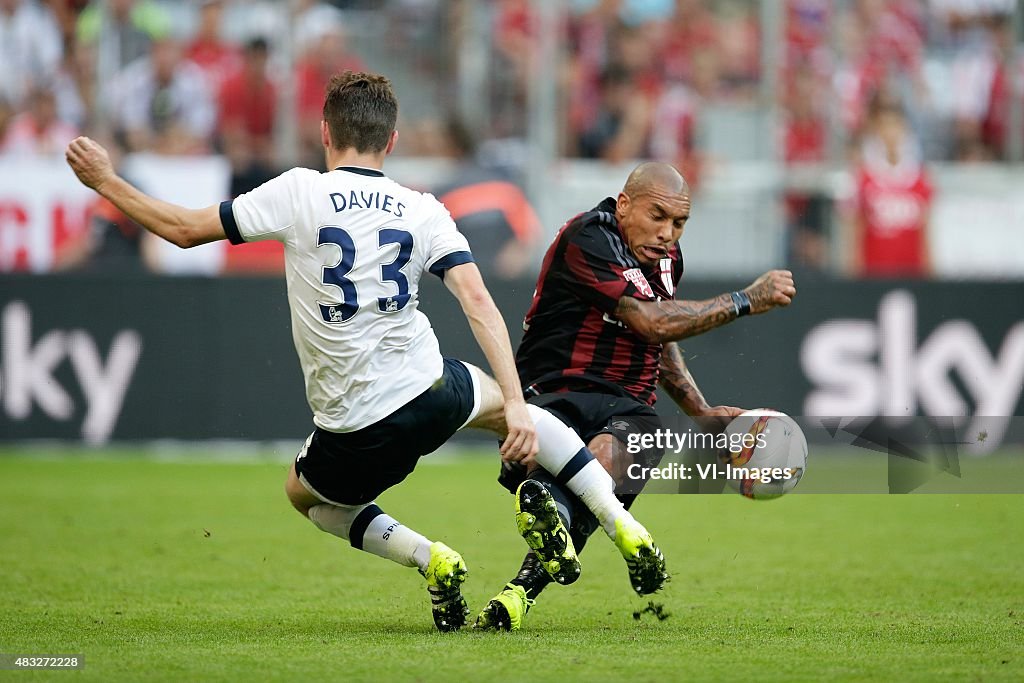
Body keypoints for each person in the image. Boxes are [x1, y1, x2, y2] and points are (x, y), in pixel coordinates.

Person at [65, 70, 666, 632]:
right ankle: (624, 525)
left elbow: (183, 230)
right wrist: (513, 404)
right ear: (393, 139)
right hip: (433, 389)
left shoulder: (298, 192)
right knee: (532, 417)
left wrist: (106, 182)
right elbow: (479, 302)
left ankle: (430, 559)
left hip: (352, 424)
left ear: (325, 132)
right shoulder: (423, 207)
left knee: (305, 496)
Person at [474, 161, 797, 631]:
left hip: (626, 403)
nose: (668, 233)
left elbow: (658, 341)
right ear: (624, 205)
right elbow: (649, 320)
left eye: (679, 222)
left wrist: (700, 411)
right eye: (658, 216)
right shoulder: (588, 237)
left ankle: (517, 594)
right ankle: (563, 518)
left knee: (611, 465)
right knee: (584, 489)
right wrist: (744, 300)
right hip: (556, 395)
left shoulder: (668, 259)